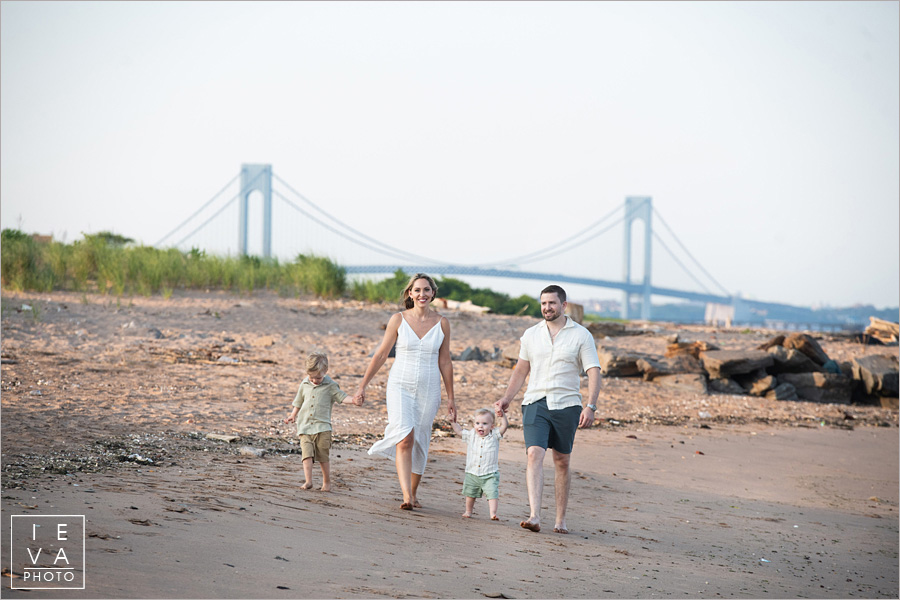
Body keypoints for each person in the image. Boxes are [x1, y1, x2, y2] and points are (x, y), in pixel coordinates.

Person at [494, 284, 601, 534]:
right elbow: (521, 369)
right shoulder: (531, 334)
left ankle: (560, 520)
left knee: (562, 461)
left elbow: (593, 371)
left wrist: (591, 406)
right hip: (535, 402)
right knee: (534, 454)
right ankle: (534, 516)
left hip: (567, 405)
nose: (547, 308)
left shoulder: (582, 335)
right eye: (543, 303)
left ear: (563, 305)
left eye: (552, 303)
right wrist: (507, 398)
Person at [355, 273, 457, 510]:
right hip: (400, 384)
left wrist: (451, 398)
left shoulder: (442, 323)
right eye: (417, 290)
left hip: (429, 388)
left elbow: (445, 362)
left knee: (421, 439)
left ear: (433, 294)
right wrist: (363, 385)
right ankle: (406, 497)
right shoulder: (398, 320)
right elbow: (381, 354)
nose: (422, 294)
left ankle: (414, 491)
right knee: (405, 437)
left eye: (426, 290)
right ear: (410, 294)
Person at [284, 352, 361, 491]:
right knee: (306, 454)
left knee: (322, 455)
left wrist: (353, 400)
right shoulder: (304, 383)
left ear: (325, 371)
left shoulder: (331, 385)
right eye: (311, 377)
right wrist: (293, 415)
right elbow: (299, 400)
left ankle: (327, 482)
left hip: (322, 427)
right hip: (305, 425)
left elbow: (341, 397)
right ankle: (308, 481)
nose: (314, 380)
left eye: (318, 377)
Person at [451, 407, 509, 520]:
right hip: (472, 472)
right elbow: (459, 431)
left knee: (492, 493)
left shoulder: (494, 435)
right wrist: (453, 422)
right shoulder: (471, 435)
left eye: (485, 423)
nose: (480, 426)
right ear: (474, 425)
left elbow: (504, 427)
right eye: (477, 423)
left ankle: (493, 513)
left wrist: (503, 417)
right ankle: (468, 511)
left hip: (490, 473)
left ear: (492, 426)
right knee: (470, 493)